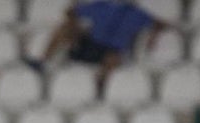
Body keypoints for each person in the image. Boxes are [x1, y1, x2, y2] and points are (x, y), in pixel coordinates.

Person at [25, 1, 168, 96]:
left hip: (112, 51)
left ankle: (99, 89)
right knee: (63, 29)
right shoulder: (103, 6)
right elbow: (71, 11)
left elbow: (160, 24)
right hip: (91, 44)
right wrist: (74, 24)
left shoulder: (137, 14)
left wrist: (152, 37)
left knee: (113, 58)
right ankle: (43, 61)